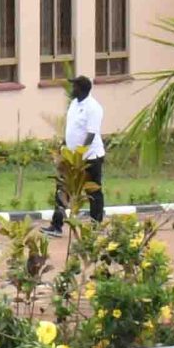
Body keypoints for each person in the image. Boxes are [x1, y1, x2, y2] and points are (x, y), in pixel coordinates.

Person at [49, 74, 105, 233]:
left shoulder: (94, 108)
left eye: (75, 87)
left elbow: (91, 134)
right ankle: (56, 225)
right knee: (62, 190)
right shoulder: (74, 103)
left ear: (82, 89)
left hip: (90, 158)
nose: (72, 89)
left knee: (93, 192)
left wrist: (80, 154)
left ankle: (96, 226)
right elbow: (72, 129)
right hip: (71, 157)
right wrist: (65, 145)